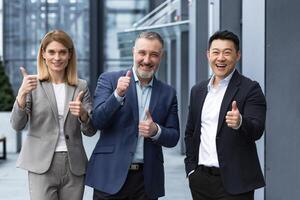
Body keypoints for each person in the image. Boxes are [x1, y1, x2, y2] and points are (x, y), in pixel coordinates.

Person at [85, 31, 180, 200]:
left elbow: (173, 137)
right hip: (110, 176)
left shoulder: (168, 93)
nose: (147, 60)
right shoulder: (109, 80)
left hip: (146, 181)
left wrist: (155, 131)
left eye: (154, 55)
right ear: (133, 52)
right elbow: (98, 121)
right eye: (142, 53)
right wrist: (118, 95)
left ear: (161, 56)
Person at [10, 30, 96, 200]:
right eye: (51, 52)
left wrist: (84, 115)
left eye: (62, 52)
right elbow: (17, 125)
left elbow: (90, 131)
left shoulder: (81, 86)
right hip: (41, 164)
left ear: (70, 55)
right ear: (43, 53)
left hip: (74, 165)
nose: (57, 57)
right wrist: (21, 95)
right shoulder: (32, 85)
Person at [184, 30, 267, 200]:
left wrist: (240, 122)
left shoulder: (250, 89)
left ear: (238, 56)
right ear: (208, 55)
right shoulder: (198, 91)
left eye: (227, 52)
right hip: (201, 180)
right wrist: (191, 170)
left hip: (236, 184)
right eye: (215, 52)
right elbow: (190, 132)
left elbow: (257, 129)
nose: (220, 58)